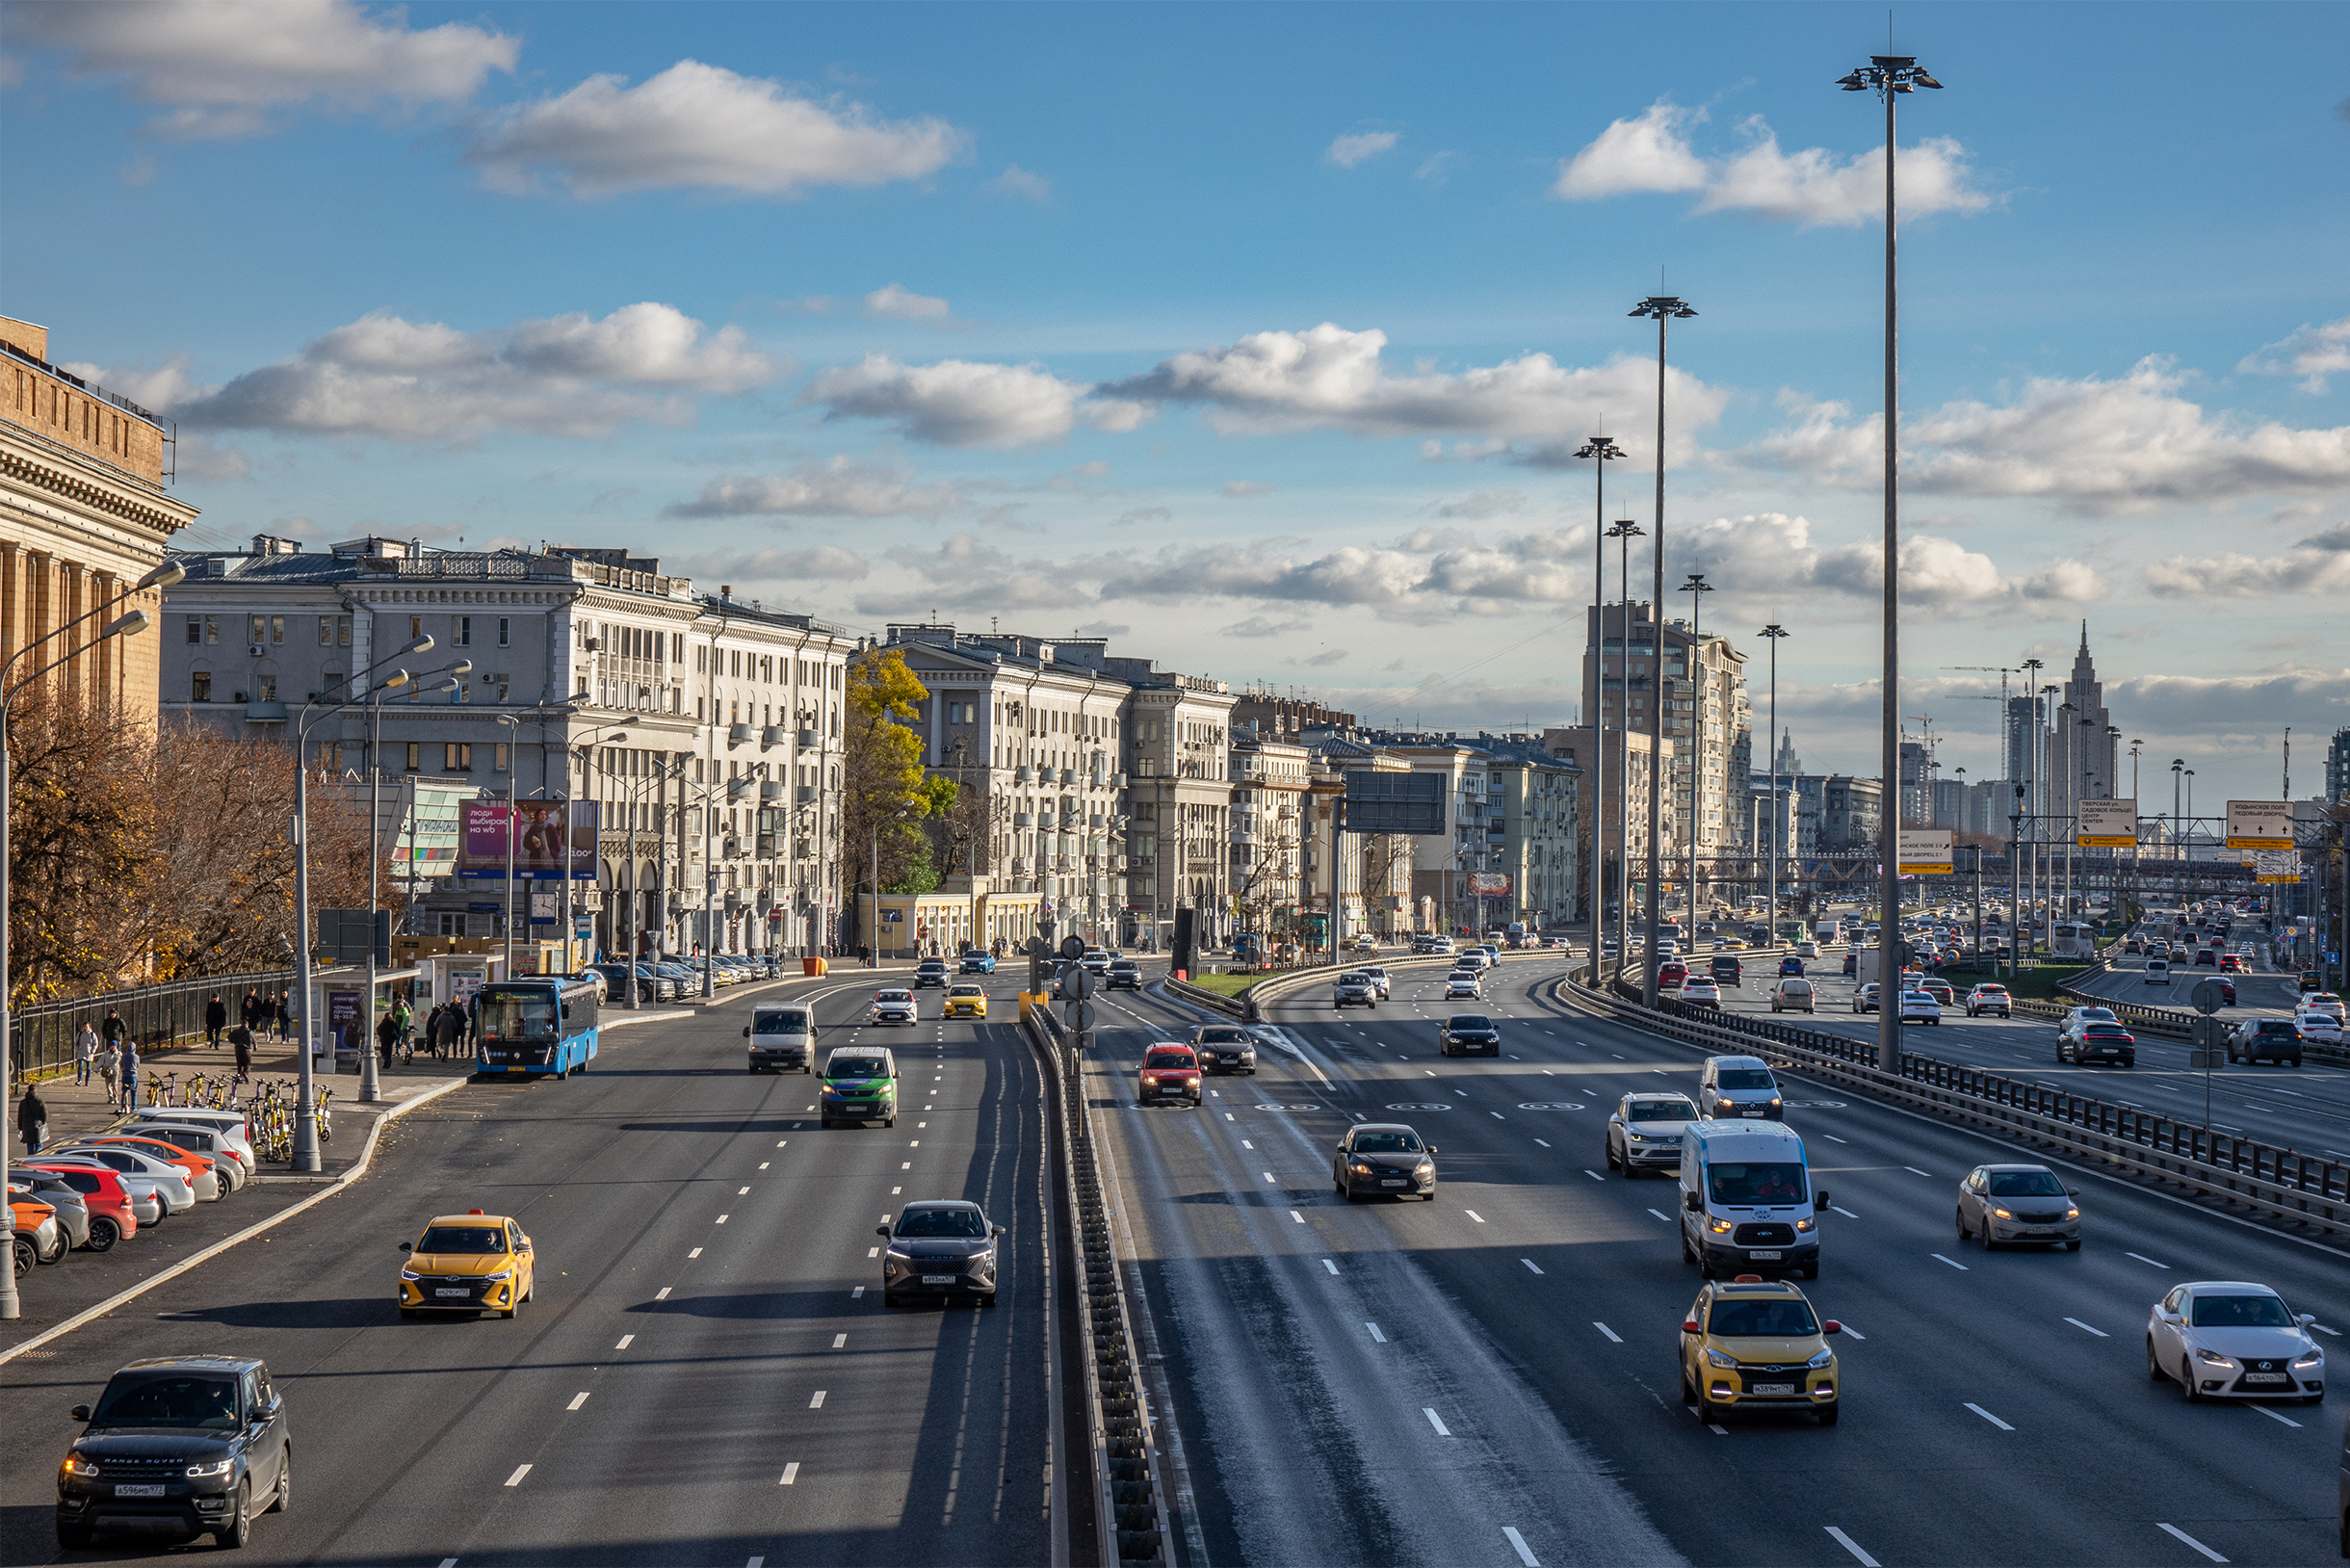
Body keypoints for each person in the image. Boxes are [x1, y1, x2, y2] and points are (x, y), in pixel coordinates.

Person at [17, 1082, 48, 1157]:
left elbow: (20, 1115)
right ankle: (37, 1157)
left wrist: (20, 1127)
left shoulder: (23, 1102)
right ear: (36, 1091)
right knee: (39, 1143)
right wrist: (43, 1122)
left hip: (27, 1126)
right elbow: (45, 1114)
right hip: (37, 1125)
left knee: (30, 1144)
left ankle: (30, 1158)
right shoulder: (40, 1101)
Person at [75, 1020, 99, 1086]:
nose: (85, 1028)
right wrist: (78, 1050)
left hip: (89, 1053)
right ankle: (79, 1080)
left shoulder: (92, 1034)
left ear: (89, 1027)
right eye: (84, 1027)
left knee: (88, 1068)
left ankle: (87, 1081)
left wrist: (92, 1051)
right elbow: (76, 1042)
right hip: (81, 1052)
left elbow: (95, 1044)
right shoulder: (80, 1033)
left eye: (86, 1027)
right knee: (81, 1066)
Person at [119, 1036, 141, 1110]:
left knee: (124, 1091)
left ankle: (123, 1106)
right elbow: (137, 1065)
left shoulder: (124, 1056)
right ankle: (134, 1107)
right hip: (133, 1075)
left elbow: (121, 1064)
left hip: (125, 1075)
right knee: (134, 1091)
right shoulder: (136, 1057)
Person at [97, 1039, 121, 1103]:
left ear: (116, 1046)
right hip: (107, 1071)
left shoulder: (119, 1054)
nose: (113, 1047)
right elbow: (101, 1061)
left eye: (114, 1045)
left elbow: (117, 1062)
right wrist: (97, 1068)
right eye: (111, 1045)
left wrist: (112, 1067)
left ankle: (115, 1097)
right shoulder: (106, 1053)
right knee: (108, 1085)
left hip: (115, 1071)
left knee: (114, 1084)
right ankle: (111, 1098)